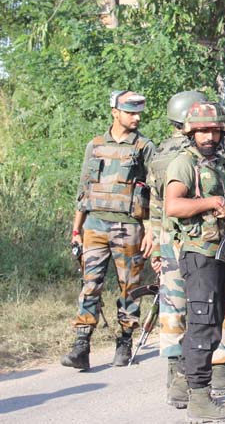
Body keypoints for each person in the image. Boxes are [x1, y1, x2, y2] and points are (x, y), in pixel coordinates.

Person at [147, 91, 225, 409]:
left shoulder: (222, 164)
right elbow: (173, 205)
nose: (209, 137)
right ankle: (198, 399)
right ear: (190, 133)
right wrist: (210, 203)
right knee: (202, 323)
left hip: (223, 251)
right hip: (199, 252)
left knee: (214, 319)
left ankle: (186, 385)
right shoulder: (184, 163)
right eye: (202, 131)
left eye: (215, 131)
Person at [62, 90, 156, 371]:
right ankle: (81, 345)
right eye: (130, 112)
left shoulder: (144, 147)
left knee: (130, 287)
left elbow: (156, 191)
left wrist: (151, 230)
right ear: (115, 112)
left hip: (128, 227)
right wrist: (76, 228)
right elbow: (84, 188)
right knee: (90, 284)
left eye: (139, 112)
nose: (137, 117)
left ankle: (124, 341)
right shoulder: (96, 145)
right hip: (94, 225)